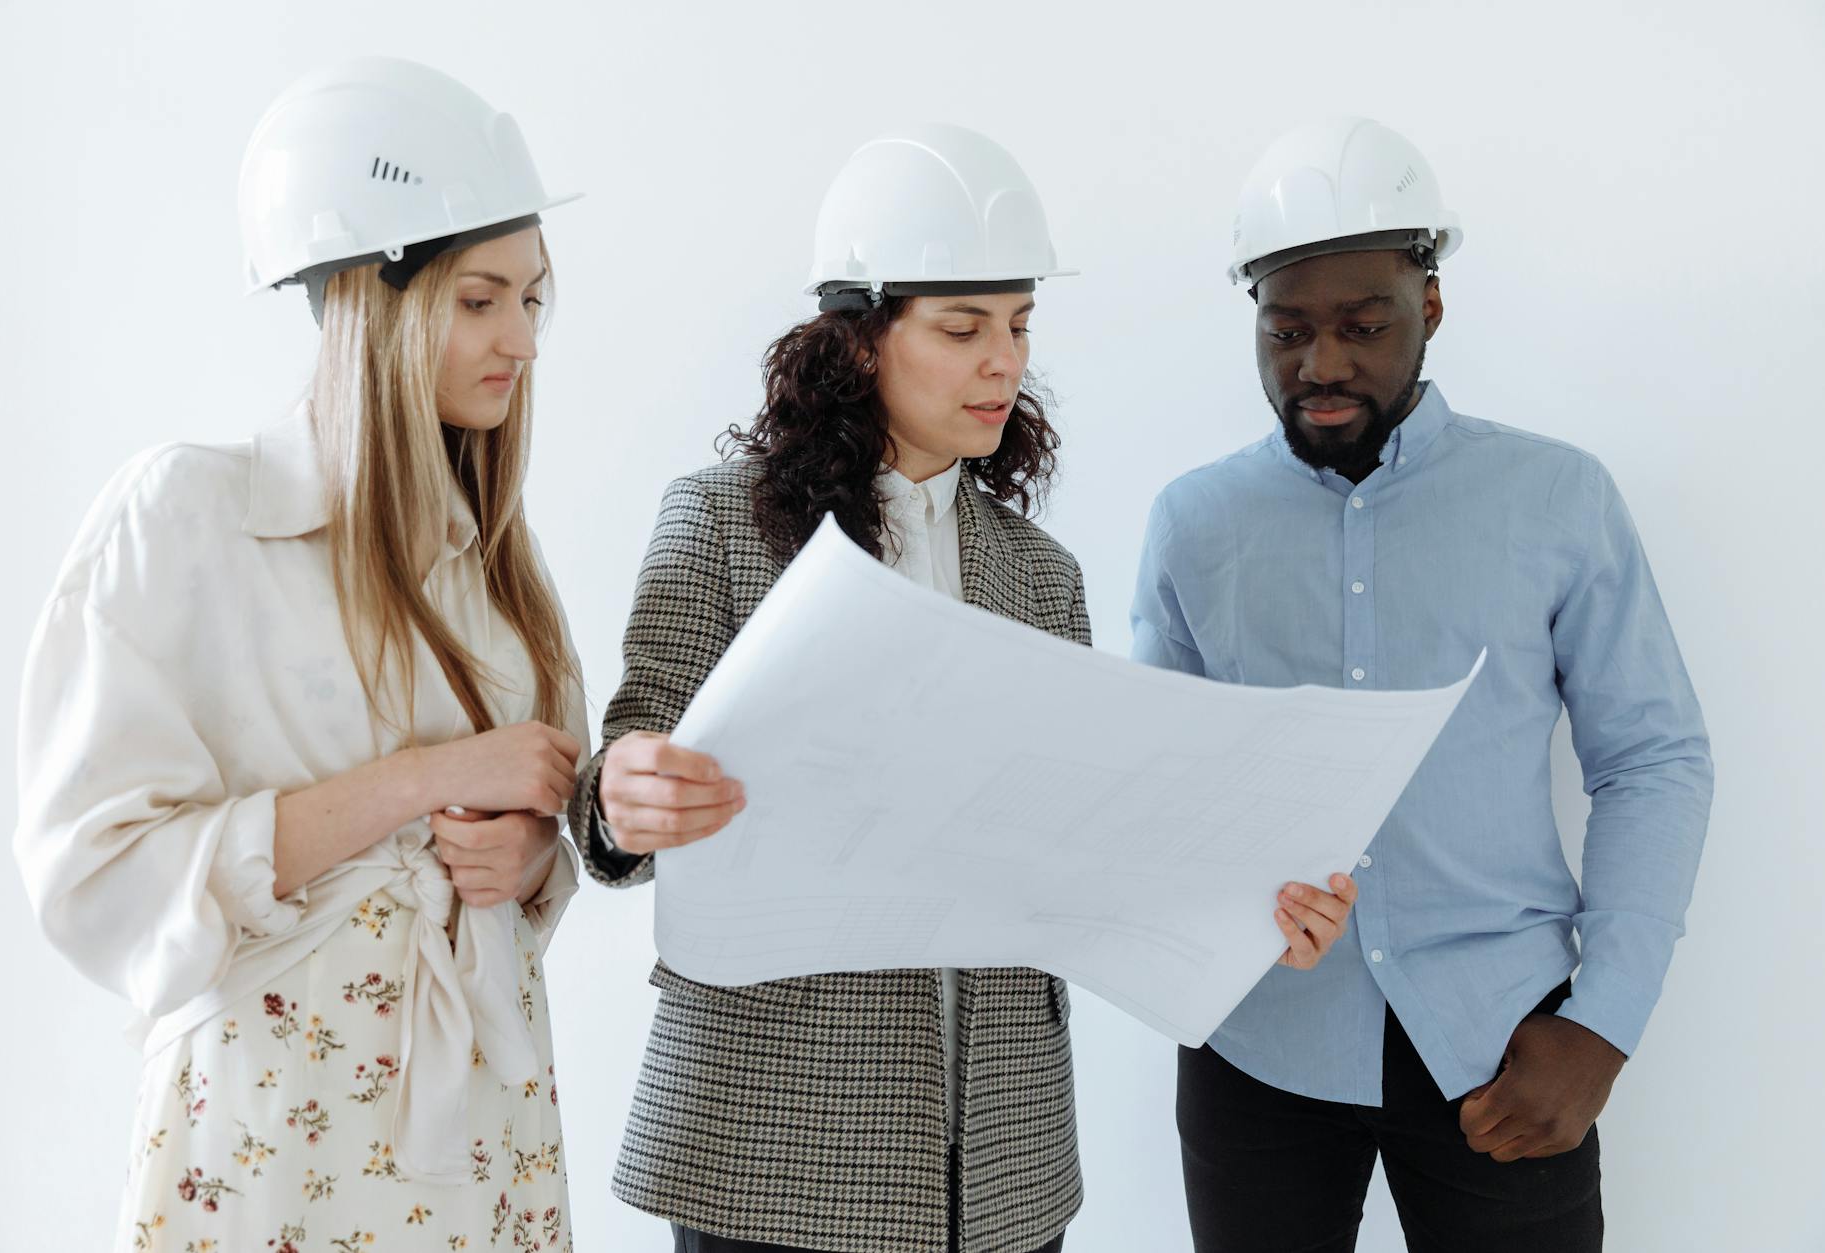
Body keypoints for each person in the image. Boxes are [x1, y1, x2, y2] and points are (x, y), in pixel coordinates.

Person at [571, 124, 1357, 1253]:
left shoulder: (1041, 576)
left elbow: (1096, 849)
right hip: (776, 1137)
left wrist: (1253, 910)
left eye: (1019, 324)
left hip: (1001, 1153)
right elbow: (621, 782)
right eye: (961, 327)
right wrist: (618, 799)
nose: (1005, 360)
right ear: (856, 343)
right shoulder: (720, 523)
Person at [14, 57, 589, 1250]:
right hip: (279, 1121)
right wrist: (430, 778)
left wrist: (528, 852)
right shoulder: (189, 515)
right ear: (364, 297)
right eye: (480, 300)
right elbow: (93, 868)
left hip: (487, 1113)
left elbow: (545, 827)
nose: (520, 338)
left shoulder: (497, 559)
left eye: (532, 299)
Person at [1132, 116, 1714, 1252]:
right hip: (1257, 1045)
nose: (1322, 364)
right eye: (1286, 330)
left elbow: (1653, 759)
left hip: (1507, 1042)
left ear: (1429, 307)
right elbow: (1164, 793)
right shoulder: (1193, 524)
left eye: (1362, 324)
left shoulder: (1556, 499)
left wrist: (1600, 1025)